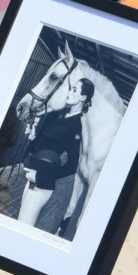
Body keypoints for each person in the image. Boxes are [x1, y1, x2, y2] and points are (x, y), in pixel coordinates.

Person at [17, 79, 92, 229]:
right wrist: (33, 137)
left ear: (83, 97)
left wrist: (39, 177)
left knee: (22, 227)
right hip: (32, 178)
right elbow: (43, 146)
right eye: (70, 88)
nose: (69, 92)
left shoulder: (74, 126)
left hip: (41, 184)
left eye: (74, 90)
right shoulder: (62, 116)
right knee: (20, 223)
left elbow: (71, 167)